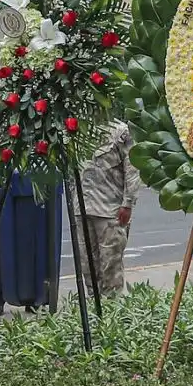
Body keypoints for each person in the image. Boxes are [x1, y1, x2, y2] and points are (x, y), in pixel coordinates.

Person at [77, 119, 141, 294]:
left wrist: (128, 203)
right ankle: (93, 310)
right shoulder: (76, 128)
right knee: (87, 265)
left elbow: (133, 168)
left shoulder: (120, 132)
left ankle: (112, 312)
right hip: (82, 207)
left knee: (110, 267)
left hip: (110, 210)